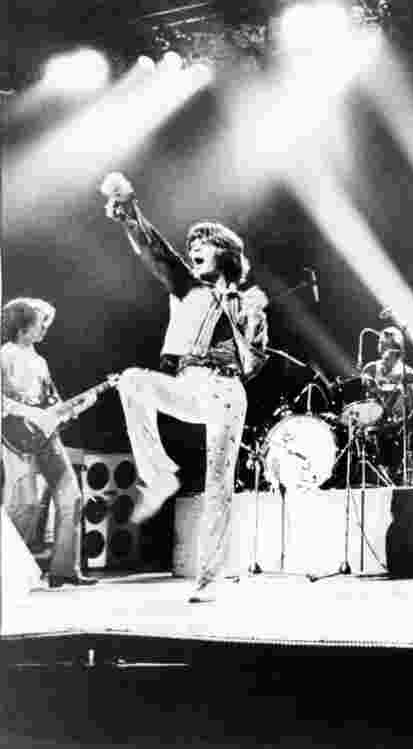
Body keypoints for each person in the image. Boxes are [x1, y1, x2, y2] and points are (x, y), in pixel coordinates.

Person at [102, 172, 268, 603]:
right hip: (188, 384)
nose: (193, 248)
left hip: (226, 393)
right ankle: (158, 474)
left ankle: (210, 579)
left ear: (227, 254)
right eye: (192, 243)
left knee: (218, 485)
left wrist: (246, 320)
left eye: (204, 242)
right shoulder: (188, 287)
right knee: (134, 381)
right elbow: (157, 251)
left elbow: (254, 363)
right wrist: (128, 211)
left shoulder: (247, 303)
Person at [1, 298, 97, 587]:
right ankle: (8, 569)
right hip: (15, 439)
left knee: (72, 497)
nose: (45, 328)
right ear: (24, 325)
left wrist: (79, 405)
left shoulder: (40, 361)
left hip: (47, 437)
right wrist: (31, 413)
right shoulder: (4, 356)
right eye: (41, 322)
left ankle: (64, 570)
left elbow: (53, 404)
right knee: (25, 504)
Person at [360, 326, 413, 485]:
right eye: (380, 343)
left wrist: (401, 423)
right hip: (374, 425)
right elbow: (362, 401)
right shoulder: (371, 368)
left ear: (396, 348)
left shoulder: (407, 371)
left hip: (397, 428)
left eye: (385, 343)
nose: (380, 346)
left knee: (396, 467)